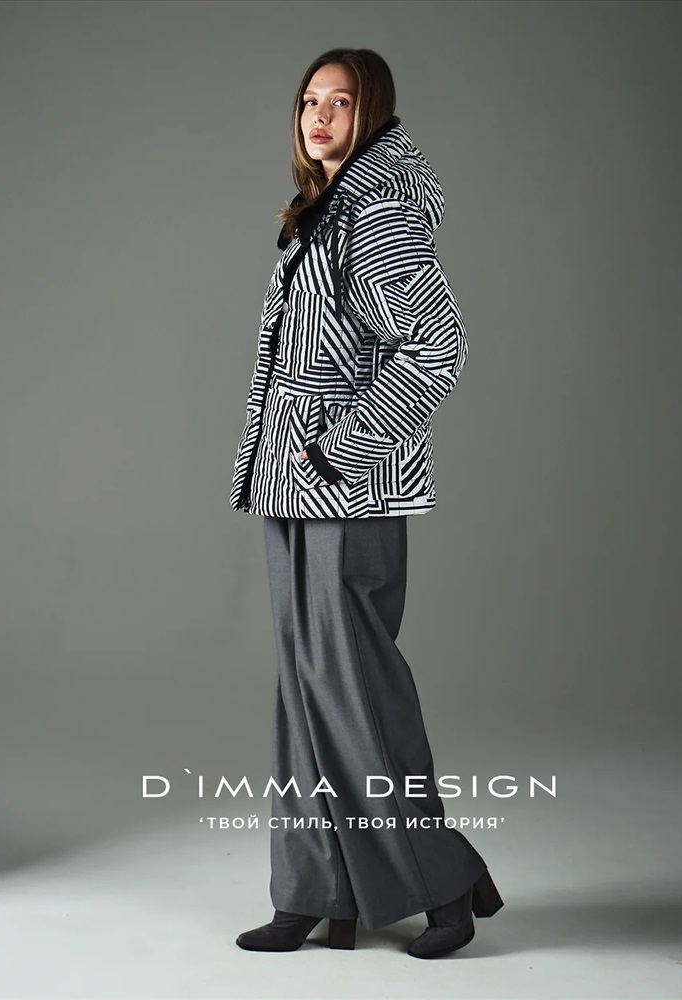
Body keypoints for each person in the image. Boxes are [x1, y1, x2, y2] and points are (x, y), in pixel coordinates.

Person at [229, 47, 503, 960]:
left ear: (371, 111)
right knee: (306, 692)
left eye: (340, 102)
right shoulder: (324, 206)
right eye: (310, 100)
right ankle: (315, 891)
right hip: (290, 482)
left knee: (355, 694)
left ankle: (445, 880)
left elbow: (437, 342)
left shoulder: (376, 206)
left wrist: (341, 447)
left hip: (347, 487)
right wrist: (290, 457)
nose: (319, 116)